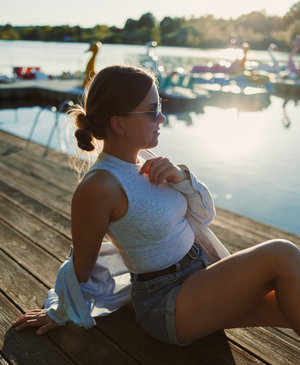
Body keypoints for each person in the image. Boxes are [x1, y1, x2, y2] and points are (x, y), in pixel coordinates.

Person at [12, 65, 300, 344]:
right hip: (168, 302)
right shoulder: (100, 186)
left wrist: (182, 179)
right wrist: (59, 311)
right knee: (281, 253)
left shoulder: (149, 161)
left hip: (204, 276)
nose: (162, 118)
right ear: (118, 123)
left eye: (159, 107)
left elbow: (204, 215)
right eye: (152, 111)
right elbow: (81, 266)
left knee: (292, 299)